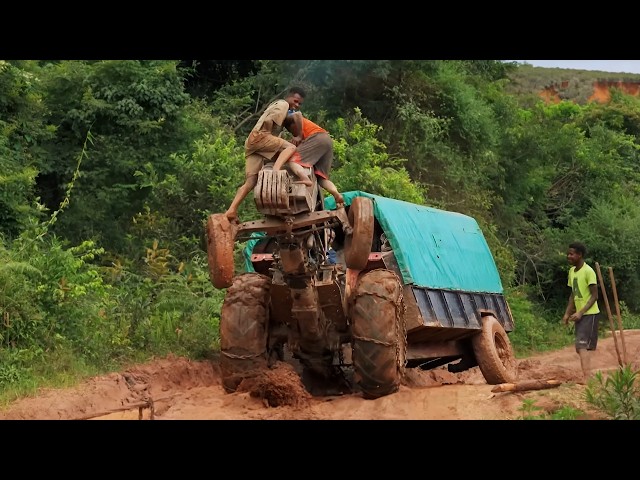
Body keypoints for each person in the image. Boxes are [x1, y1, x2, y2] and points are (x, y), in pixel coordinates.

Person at [225, 87, 313, 222]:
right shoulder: (283, 104)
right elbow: (294, 116)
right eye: (295, 101)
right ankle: (275, 172)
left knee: (251, 181)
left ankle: (231, 210)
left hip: (252, 143)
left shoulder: (278, 107)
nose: (296, 105)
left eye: (299, 103)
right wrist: (299, 135)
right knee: (290, 148)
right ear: (289, 97)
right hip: (261, 136)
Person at [281, 111, 344, 205]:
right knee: (321, 179)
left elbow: (297, 114)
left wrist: (297, 136)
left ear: (292, 125)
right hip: (327, 141)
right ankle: (336, 194)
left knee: (292, 160)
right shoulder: (304, 128)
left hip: (317, 137)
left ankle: (304, 178)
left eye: (290, 131)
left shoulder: (294, 118)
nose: (292, 134)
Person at [562, 241, 600, 384]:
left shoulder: (588, 271)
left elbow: (594, 296)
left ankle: (587, 380)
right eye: (568, 253)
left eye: (572, 254)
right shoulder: (572, 272)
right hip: (580, 315)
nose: (569, 256)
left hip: (590, 314)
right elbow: (573, 294)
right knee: (581, 348)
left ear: (580, 255)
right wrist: (567, 314)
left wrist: (581, 312)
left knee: (582, 346)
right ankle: (589, 375)